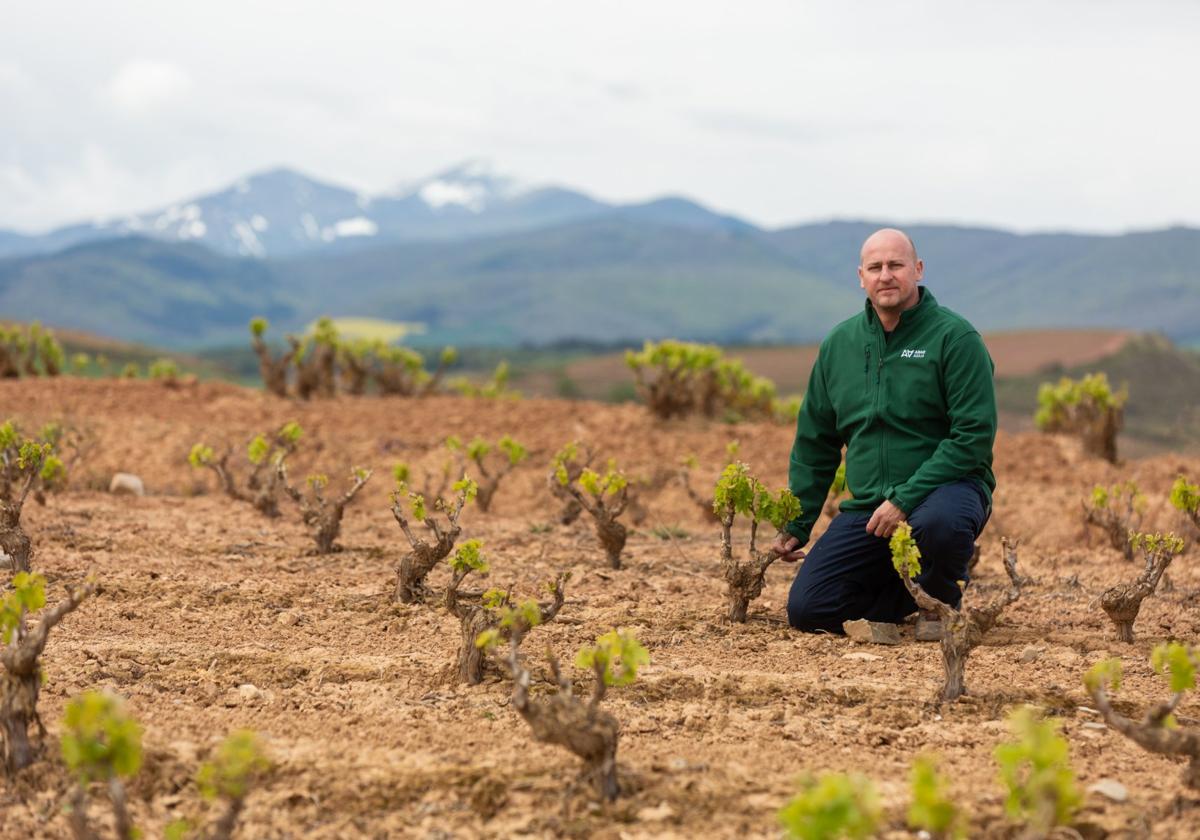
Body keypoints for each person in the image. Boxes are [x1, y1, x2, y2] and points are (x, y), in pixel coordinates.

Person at [773, 228, 996, 636]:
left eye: (896, 265)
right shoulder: (840, 344)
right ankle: (904, 598)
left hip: (948, 490)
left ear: (918, 270)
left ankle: (939, 602)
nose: (885, 275)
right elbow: (816, 441)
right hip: (871, 507)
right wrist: (798, 521)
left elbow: (972, 437)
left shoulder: (955, 338)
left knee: (938, 525)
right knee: (809, 609)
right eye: (875, 267)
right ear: (861, 276)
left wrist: (904, 499)